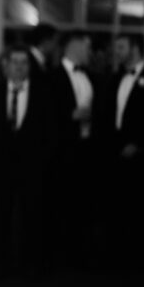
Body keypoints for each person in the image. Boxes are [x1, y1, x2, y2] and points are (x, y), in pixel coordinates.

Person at [0, 45, 54, 276]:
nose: (19, 67)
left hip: (33, 164)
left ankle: (32, 262)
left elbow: (48, 130)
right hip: (2, 163)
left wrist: (42, 158)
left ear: (29, 67)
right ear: (6, 66)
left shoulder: (43, 92)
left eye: (24, 63)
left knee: (32, 212)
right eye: (15, 62)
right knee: (1, 212)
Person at [50, 30, 96, 267]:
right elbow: (45, 116)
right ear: (75, 47)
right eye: (87, 47)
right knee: (62, 202)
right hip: (62, 151)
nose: (91, 52)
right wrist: (71, 116)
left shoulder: (91, 76)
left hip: (86, 148)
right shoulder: (52, 77)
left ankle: (80, 252)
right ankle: (61, 253)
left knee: (83, 202)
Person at [100, 34, 144, 267]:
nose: (116, 51)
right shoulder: (115, 77)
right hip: (114, 152)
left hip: (139, 155)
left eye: (121, 47)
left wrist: (138, 144)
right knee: (117, 204)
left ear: (135, 48)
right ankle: (117, 254)